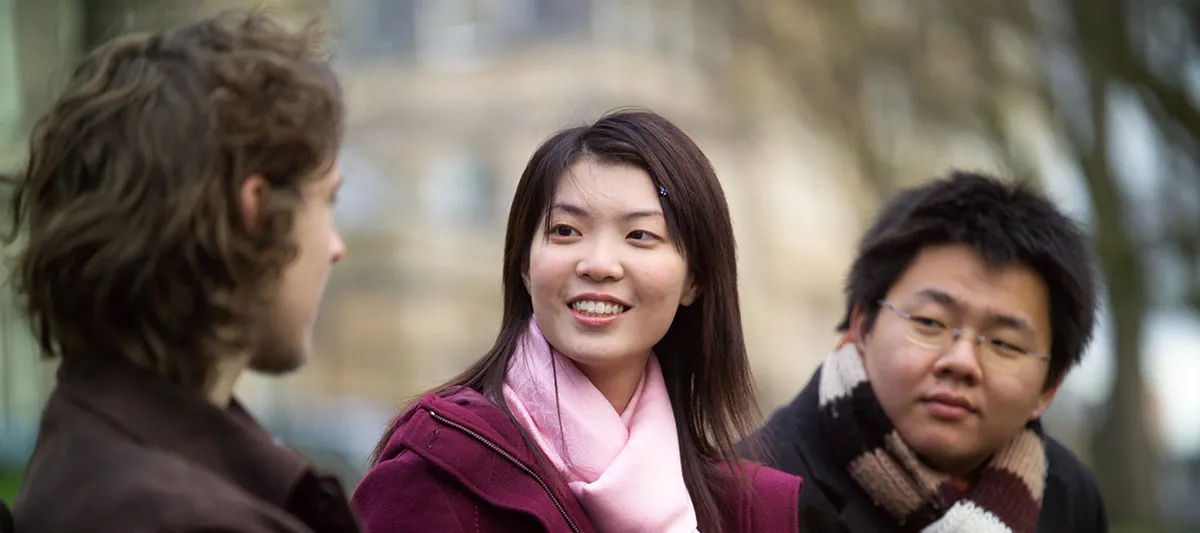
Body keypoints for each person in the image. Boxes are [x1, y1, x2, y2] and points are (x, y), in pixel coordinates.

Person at [352, 110, 801, 532]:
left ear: (694, 281)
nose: (599, 264)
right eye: (565, 230)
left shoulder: (755, 510)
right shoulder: (434, 478)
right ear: (524, 266)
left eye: (640, 235)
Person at [6, 12, 360, 533]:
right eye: (328, 199)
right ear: (259, 212)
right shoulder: (186, 518)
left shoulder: (85, 448)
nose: (336, 247)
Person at [743, 171, 1106, 532]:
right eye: (931, 323)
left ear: (1049, 387)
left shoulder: (1069, 497)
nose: (963, 362)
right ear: (862, 327)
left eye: (1005, 344)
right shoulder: (750, 495)